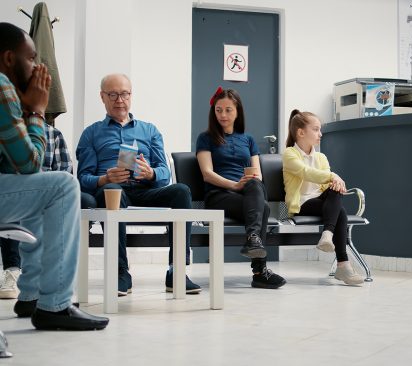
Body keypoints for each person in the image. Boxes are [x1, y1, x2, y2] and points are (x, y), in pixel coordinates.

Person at [0, 22, 108, 330]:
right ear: (9, 58)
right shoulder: (1, 84)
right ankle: (56, 305)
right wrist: (35, 111)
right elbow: (30, 163)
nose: (37, 67)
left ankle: (32, 296)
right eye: (31, 58)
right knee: (62, 185)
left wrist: (24, 105)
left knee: (43, 189)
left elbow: (16, 170)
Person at [76, 73, 201, 296]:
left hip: (145, 191)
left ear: (131, 96)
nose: (119, 100)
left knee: (181, 191)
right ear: (102, 97)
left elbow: (165, 174)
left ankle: (177, 271)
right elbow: (83, 179)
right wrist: (105, 178)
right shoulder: (91, 133)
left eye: (124, 94)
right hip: (113, 192)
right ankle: (120, 271)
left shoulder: (149, 130)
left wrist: (150, 173)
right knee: (111, 191)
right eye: (113, 94)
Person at [196, 87, 286, 289]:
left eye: (228, 110)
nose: (223, 115)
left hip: (245, 194)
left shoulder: (248, 139)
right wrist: (234, 185)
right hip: (218, 195)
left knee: (256, 183)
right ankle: (260, 271)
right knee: (264, 208)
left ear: (238, 111)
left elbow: (257, 173)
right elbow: (207, 173)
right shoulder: (205, 138)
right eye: (219, 110)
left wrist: (247, 182)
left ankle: (253, 240)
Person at [282, 109, 364, 285]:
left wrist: (334, 181)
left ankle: (328, 234)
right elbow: (306, 172)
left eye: (320, 130)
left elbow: (327, 183)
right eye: (316, 129)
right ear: (301, 132)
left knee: (336, 194)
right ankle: (343, 266)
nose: (320, 134)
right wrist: (333, 176)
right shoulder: (289, 154)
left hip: (323, 203)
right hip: (301, 205)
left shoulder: (321, 157)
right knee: (339, 211)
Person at [0, 122, 72, 300]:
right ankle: (53, 300)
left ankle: (32, 294)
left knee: (61, 188)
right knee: (64, 187)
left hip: (37, 191)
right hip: (15, 191)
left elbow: (66, 168)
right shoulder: (9, 124)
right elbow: (28, 166)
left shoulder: (54, 134)